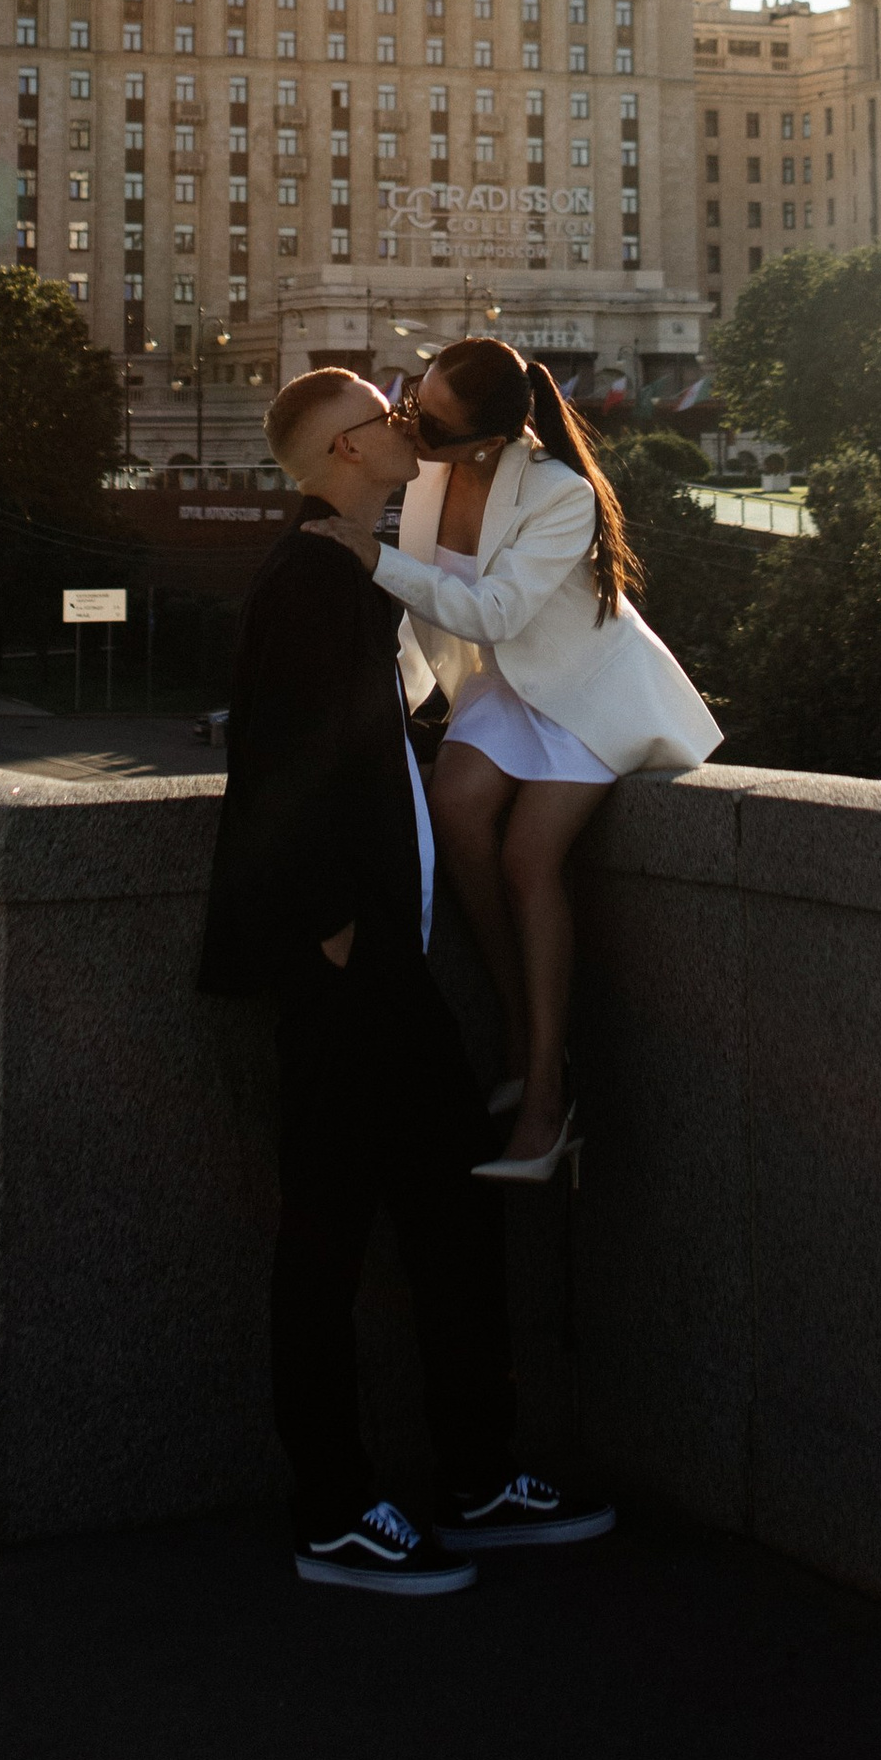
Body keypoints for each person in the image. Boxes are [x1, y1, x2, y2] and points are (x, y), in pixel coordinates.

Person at [198, 365, 614, 1597]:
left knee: (447, 1213)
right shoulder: (306, 580)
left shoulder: (351, 564)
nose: (401, 428)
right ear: (337, 456)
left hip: (388, 957)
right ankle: (333, 1509)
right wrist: (332, 926)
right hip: (346, 965)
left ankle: (478, 1477)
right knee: (323, 1239)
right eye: (379, 420)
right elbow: (278, 759)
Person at [323, 340, 718, 1183]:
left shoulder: (559, 494)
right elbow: (428, 613)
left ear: (485, 441)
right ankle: (518, 1022)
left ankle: (545, 1101)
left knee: (527, 856)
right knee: (456, 810)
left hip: (582, 689)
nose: (408, 420)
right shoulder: (431, 468)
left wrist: (374, 559)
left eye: (428, 418)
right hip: (503, 685)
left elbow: (494, 611)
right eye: (410, 397)